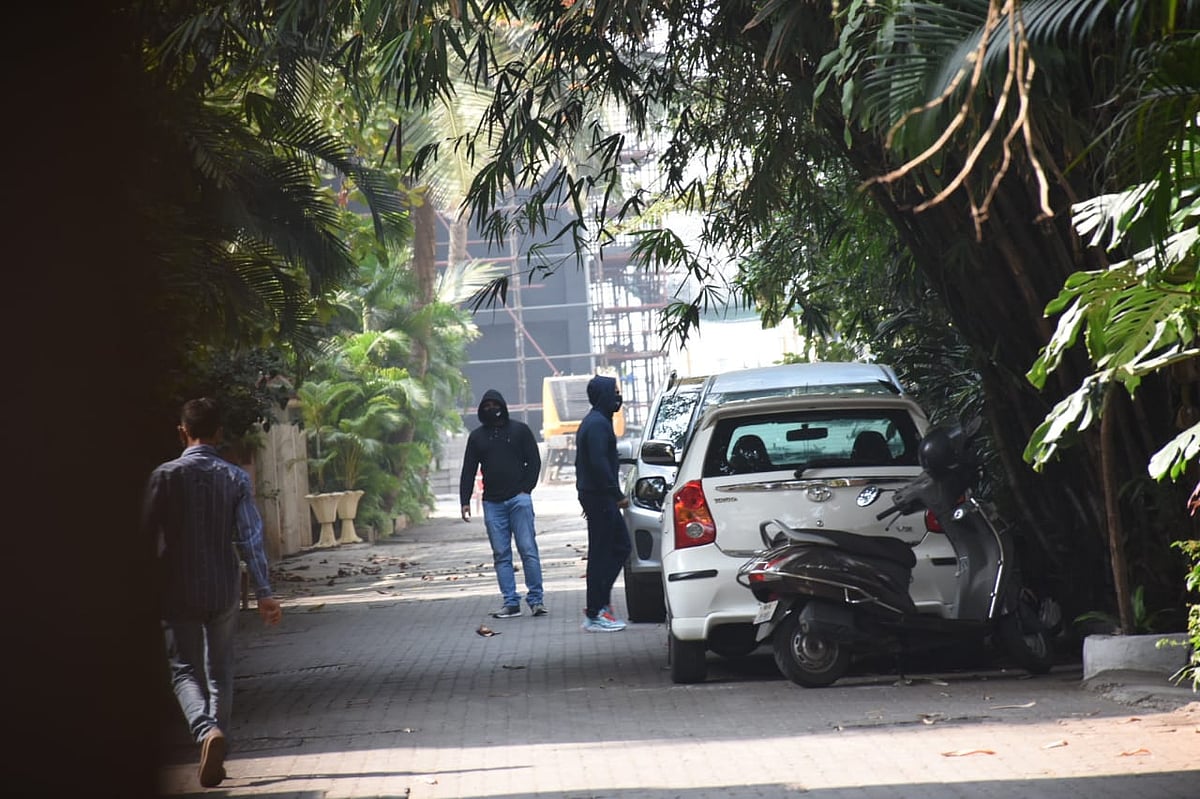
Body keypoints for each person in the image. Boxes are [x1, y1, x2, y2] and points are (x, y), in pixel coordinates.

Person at [143, 398, 283, 789]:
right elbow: (250, 538)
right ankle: (217, 750)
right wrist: (264, 592)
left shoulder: (164, 477)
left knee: (185, 669)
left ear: (182, 431)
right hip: (223, 586)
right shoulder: (235, 478)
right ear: (220, 433)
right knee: (220, 671)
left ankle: (206, 733)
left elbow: (142, 538)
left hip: (176, 588)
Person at [459, 389, 546, 618]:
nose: (491, 409)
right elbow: (468, 469)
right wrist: (464, 500)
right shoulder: (477, 437)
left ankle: (536, 600)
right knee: (501, 554)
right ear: (481, 410)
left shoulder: (520, 431)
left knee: (528, 550)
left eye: (494, 405)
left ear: (503, 406)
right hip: (492, 504)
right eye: (486, 406)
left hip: (519, 500)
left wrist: (526, 489)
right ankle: (511, 602)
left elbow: (534, 461)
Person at [574, 374, 633, 632]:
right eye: (614, 392)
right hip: (599, 496)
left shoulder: (598, 421)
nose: (618, 396)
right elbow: (598, 463)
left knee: (612, 548)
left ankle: (598, 606)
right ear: (603, 395)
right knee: (612, 549)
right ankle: (596, 610)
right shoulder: (597, 424)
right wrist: (616, 493)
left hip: (596, 495)